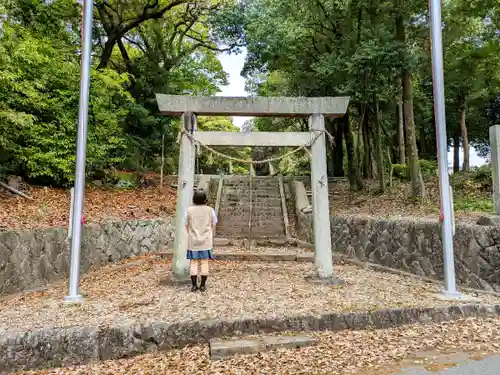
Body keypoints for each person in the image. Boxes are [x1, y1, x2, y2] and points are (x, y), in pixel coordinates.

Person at [185, 189, 217, 292]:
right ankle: (203, 285)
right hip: (206, 241)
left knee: (193, 262)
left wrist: (190, 232)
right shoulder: (210, 210)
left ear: (194, 199)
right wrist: (208, 231)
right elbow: (214, 222)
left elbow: (186, 224)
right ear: (205, 199)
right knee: (204, 262)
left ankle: (194, 286)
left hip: (193, 240)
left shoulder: (189, 210)